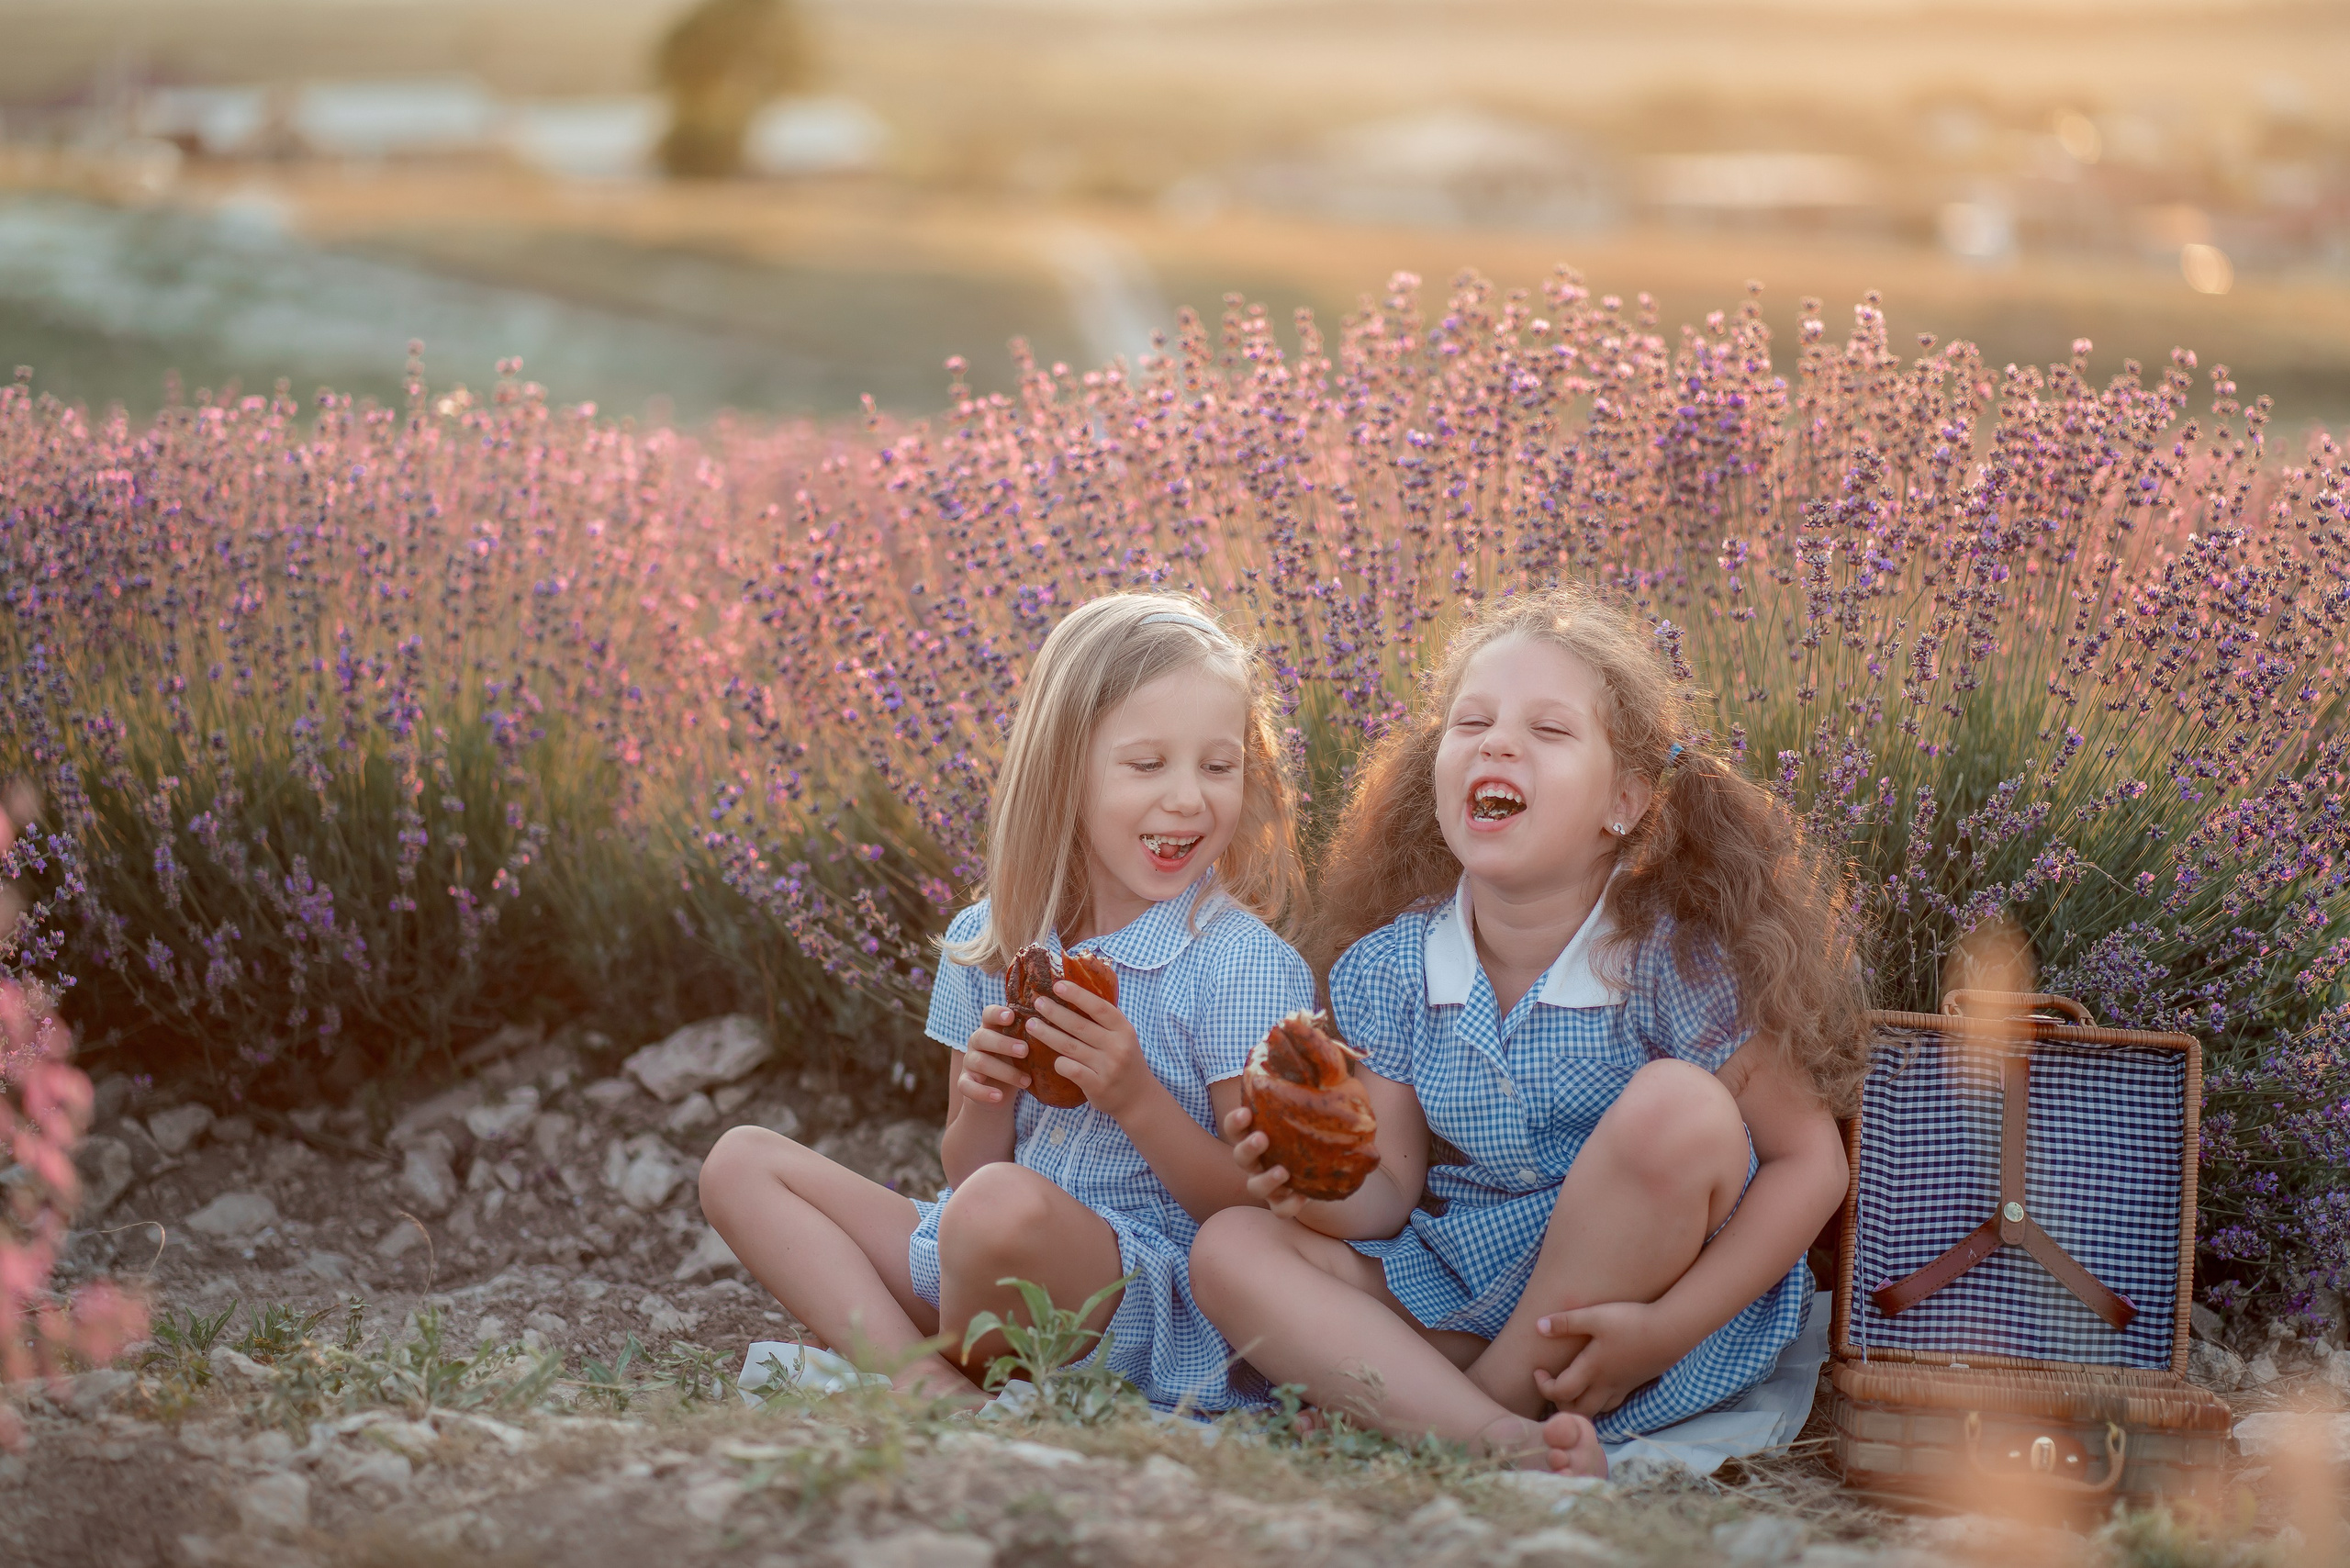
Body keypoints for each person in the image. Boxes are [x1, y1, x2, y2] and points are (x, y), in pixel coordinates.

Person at [1191, 585, 1865, 1473]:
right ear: (1435, 781)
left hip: (1625, 1324)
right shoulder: (1390, 970)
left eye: (1548, 732)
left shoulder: (1671, 964)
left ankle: (1455, 1414)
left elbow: (1810, 1163)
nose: (1497, 742)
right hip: (1461, 1285)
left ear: (1624, 800)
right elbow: (1389, 1192)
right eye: (1470, 723)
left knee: (1680, 1108)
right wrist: (1297, 1178)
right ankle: (1497, 1431)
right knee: (1229, 1246)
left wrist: (1660, 1329)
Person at [700, 591, 1312, 1408]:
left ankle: (899, 1353)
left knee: (996, 1212)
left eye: (1218, 764)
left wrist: (1133, 1097)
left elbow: (1255, 1208)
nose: (1188, 799)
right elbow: (968, 1167)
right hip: (981, 1254)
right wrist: (988, 1097)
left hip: (1134, 1296)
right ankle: (928, 1384)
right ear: (1065, 772)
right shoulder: (993, 940)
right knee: (741, 1162)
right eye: (1146, 764)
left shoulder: (1242, 968)